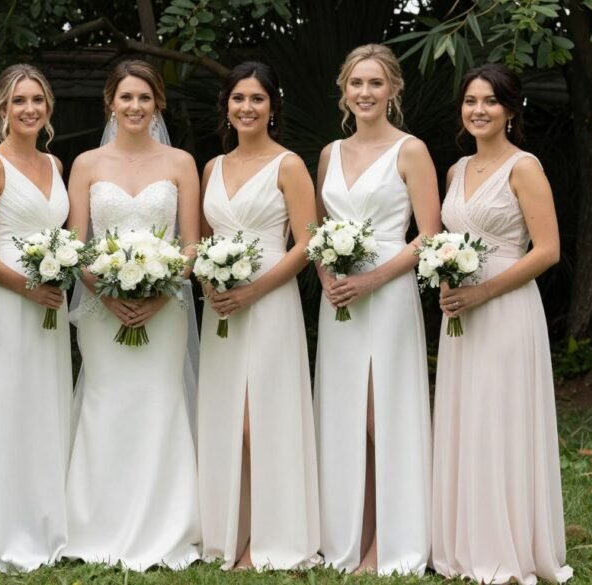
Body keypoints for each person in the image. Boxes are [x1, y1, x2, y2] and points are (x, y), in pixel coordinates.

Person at [431, 63, 572, 585]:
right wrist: (447, 281)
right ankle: (467, 544)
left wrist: (485, 290)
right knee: (468, 419)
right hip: (459, 317)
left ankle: (508, 547)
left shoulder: (525, 167)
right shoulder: (455, 171)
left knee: (500, 419)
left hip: (507, 309)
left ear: (511, 110)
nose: (479, 110)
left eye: (490, 101)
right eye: (470, 101)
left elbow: (550, 250)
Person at [63, 59, 201, 571]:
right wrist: (108, 292)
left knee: (160, 402)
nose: (135, 106)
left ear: (158, 103)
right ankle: (96, 523)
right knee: (106, 401)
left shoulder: (181, 163)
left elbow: (191, 245)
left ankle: (167, 525)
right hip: (103, 309)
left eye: (144, 98)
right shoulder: (87, 164)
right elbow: (76, 246)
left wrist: (159, 293)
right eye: (126, 98)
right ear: (110, 103)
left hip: (165, 310)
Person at [312, 43, 440, 575]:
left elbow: (430, 234)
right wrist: (329, 281)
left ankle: (393, 538)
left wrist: (372, 280)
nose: (365, 93)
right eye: (356, 84)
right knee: (344, 413)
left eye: (375, 84)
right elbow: (317, 233)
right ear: (343, 90)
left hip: (387, 292)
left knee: (381, 411)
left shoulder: (411, 151)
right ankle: (351, 535)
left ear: (393, 91)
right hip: (339, 298)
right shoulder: (328, 154)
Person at [197, 61, 320, 571]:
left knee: (262, 421)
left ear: (273, 107)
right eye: (238, 98)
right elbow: (202, 241)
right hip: (221, 307)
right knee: (227, 420)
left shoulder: (288, 165)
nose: (247, 108)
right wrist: (209, 281)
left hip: (270, 299)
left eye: (257, 99)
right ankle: (232, 534)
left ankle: (273, 536)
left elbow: (309, 243)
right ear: (226, 105)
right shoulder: (212, 167)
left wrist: (255, 291)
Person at [0, 64, 72, 572]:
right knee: (7, 408)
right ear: (1, 109)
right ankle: (3, 528)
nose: (29, 109)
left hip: (51, 303)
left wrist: (56, 277)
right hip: (9, 304)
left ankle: (47, 522)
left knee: (45, 407)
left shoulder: (55, 164)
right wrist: (27, 285)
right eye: (19, 101)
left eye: (37, 100)